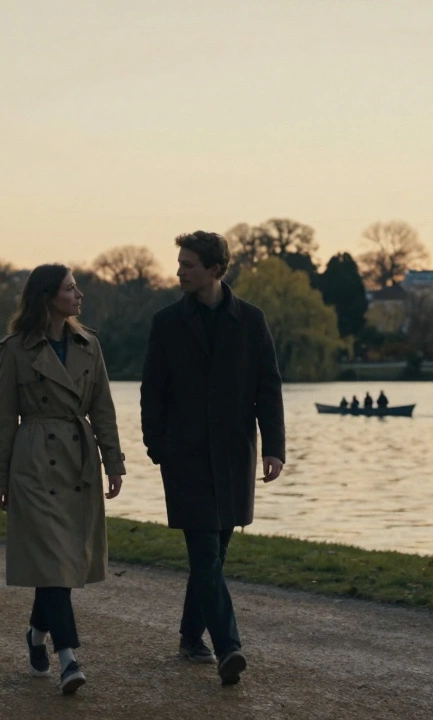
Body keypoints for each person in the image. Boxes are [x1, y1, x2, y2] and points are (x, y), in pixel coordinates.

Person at [140, 231, 285, 686]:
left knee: (214, 556)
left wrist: (274, 447)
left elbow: (268, 387)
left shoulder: (251, 320)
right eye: (180, 263)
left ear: (216, 269)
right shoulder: (166, 323)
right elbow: (152, 390)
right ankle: (228, 648)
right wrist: (157, 446)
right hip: (184, 456)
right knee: (204, 553)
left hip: (234, 455)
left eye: (188, 265)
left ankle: (190, 637)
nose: (179, 271)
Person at [0, 264, 126, 695]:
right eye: (70, 288)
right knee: (52, 562)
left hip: (77, 462)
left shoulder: (89, 345)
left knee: (59, 565)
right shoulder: (15, 349)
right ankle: (68, 659)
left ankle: (35, 635)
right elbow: (4, 416)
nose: (79, 294)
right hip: (33, 463)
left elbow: (103, 408)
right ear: (48, 297)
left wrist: (114, 463)